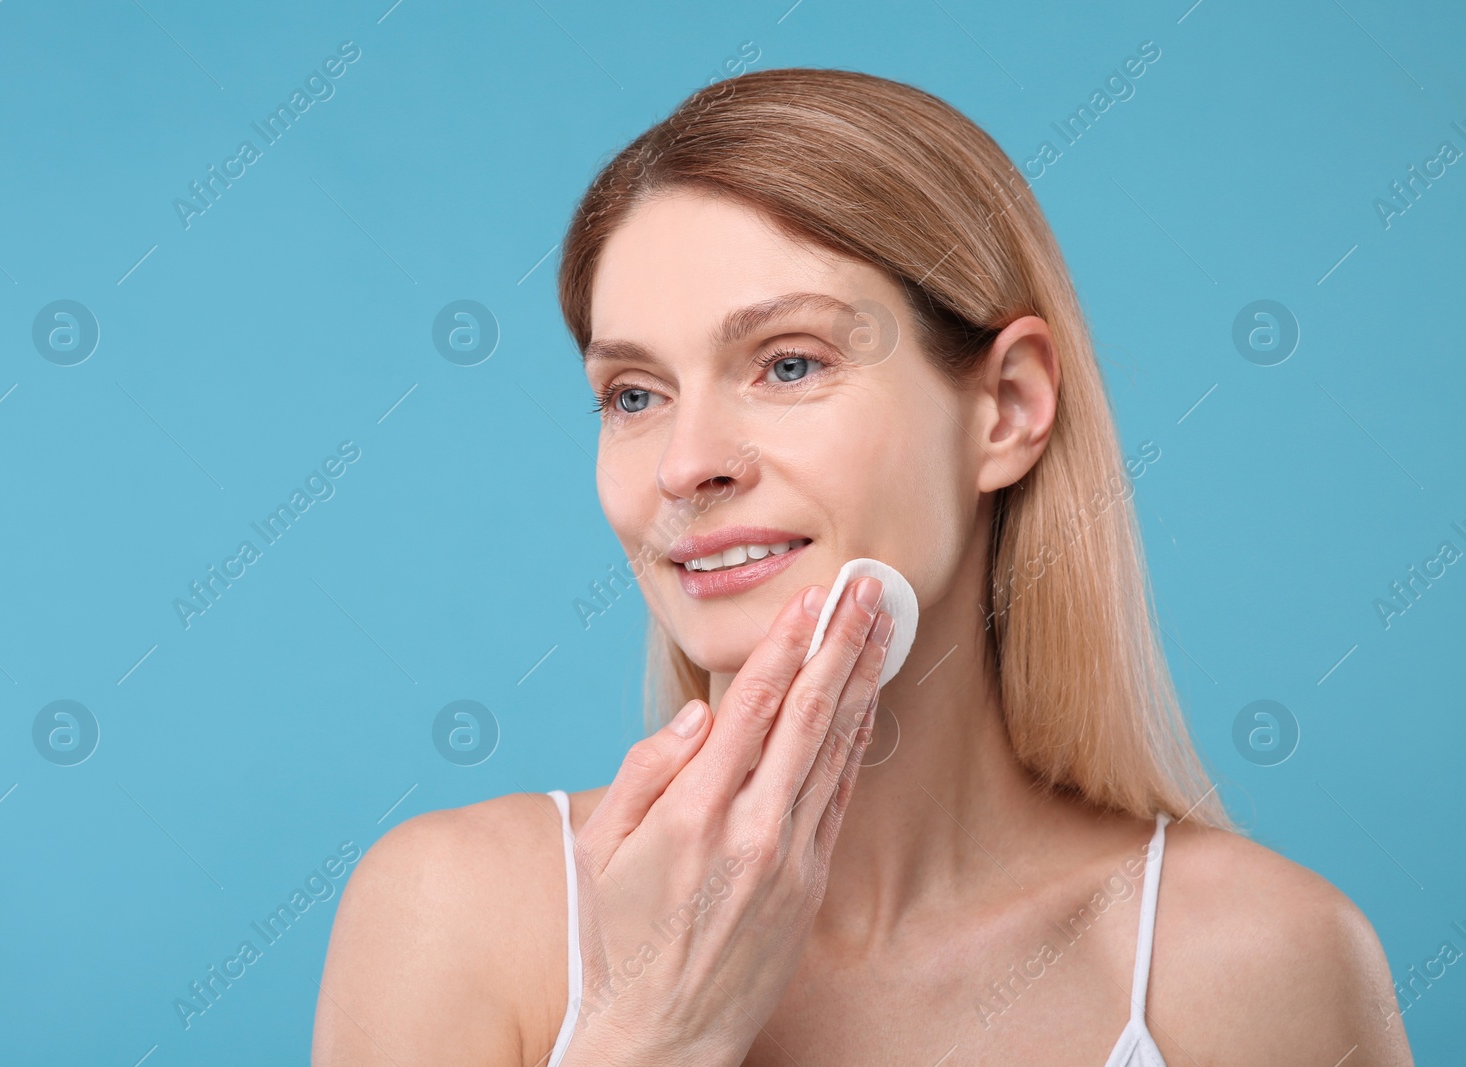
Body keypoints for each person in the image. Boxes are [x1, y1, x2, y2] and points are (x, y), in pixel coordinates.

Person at [312, 68, 1411, 1066]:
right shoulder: (449, 914)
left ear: (1007, 407)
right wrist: (658, 1033)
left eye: (788, 362)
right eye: (633, 394)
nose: (685, 465)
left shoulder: (1260, 966)